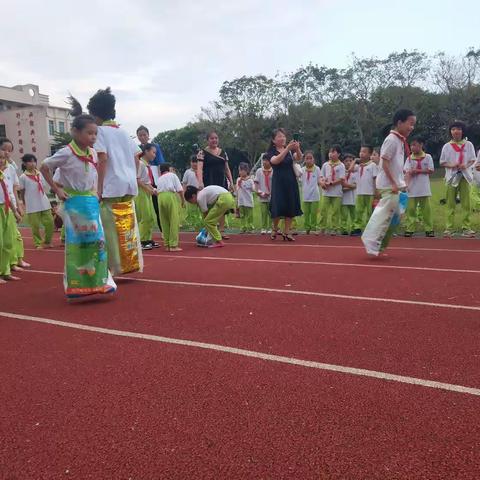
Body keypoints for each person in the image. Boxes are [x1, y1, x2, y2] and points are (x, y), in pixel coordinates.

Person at [40, 98, 116, 298]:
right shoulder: (66, 153)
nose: (93, 137)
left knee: (97, 242)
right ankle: (76, 284)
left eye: (95, 133)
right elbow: (44, 166)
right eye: (89, 133)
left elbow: (94, 173)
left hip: (90, 202)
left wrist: (97, 192)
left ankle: (101, 281)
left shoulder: (91, 152)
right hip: (74, 204)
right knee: (78, 244)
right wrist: (57, 191)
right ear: (75, 131)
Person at [87, 87, 143, 275]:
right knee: (127, 226)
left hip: (111, 186)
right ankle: (130, 262)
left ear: (95, 114)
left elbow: (102, 158)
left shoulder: (100, 132)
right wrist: (133, 175)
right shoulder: (123, 131)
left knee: (109, 229)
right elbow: (137, 156)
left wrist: (99, 188)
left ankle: (114, 267)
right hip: (128, 185)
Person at [362, 109, 416, 256]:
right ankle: (370, 241)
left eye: (413, 124)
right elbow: (384, 163)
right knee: (385, 215)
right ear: (399, 122)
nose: (412, 127)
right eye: (410, 124)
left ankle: (379, 246)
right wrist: (393, 183)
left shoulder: (400, 140)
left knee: (396, 216)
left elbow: (396, 164)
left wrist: (401, 181)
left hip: (396, 184)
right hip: (388, 185)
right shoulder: (391, 140)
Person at [439, 121, 476, 237]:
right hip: (452, 177)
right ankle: (449, 228)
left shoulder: (468, 144)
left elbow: (472, 159)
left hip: (465, 176)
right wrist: (452, 165)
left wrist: (466, 165)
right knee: (450, 203)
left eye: (459, 129)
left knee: (466, 204)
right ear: (450, 131)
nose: (456, 131)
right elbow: (442, 162)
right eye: (453, 129)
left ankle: (466, 228)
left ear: (462, 131)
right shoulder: (447, 146)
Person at [265, 129, 303, 241]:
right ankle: (275, 228)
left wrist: (297, 148)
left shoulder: (290, 151)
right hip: (278, 182)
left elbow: (299, 158)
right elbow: (275, 161)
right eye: (279, 136)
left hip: (290, 180)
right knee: (278, 205)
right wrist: (287, 149)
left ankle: (287, 231)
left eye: (283, 136)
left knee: (290, 205)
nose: (282, 138)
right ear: (273, 140)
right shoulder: (271, 152)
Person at [196, 131, 234, 239]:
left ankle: (221, 230)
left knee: (221, 206)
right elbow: (199, 168)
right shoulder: (202, 153)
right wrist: (200, 182)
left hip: (221, 181)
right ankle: (211, 230)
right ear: (208, 140)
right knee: (210, 206)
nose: (214, 140)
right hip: (208, 180)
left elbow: (227, 169)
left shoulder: (223, 152)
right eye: (212, 138)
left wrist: (231, 182)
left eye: (216, 138)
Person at [0, 138, 30, 270]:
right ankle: (9, 264)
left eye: (9, 150)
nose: (7, 153)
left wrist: (18, 205)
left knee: (12, 236)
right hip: (3, 204)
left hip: (9, 204)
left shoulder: (10, 168)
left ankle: (14, 261)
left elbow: (13, 188)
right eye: (4, 149)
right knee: (6, 237)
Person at [18, 154, 54, 248]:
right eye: (30, 161)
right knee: (35, 226)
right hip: (32, 204)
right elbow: (22, 191)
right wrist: (23, 202)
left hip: (44, 202)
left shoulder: (40, 173)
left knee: (50, 222)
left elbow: (45, 186)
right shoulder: (23, 177)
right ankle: (38, 243)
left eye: (34, 161)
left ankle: (47, 241)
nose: (32, 163)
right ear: (25, 164)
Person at [404, 137, 434, 237]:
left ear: (421, 145)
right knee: (411, 210)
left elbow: (430, 170)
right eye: (411, 145)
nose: (412, 147)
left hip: (424, 188)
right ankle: (410, 228)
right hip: (412, 188)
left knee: (426, 210)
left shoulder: (428, 157)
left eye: (415, 145)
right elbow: (406, 171)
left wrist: (418, 171)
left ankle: (429, 229)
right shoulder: (409, 159)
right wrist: (409, 174)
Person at [136, 126, 163, 236]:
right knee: (145, 212)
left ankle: (162, 230)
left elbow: (160, 162)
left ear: (148, 135)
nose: (142, 137)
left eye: (144, 134)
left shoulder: (155, 147)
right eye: (140, 135)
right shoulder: (136, 149)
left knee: (157, 206)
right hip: (143, 180)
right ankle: (143, 236)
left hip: (154, 177)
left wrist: (161, 178)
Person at [0, 150, 22, 283]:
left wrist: (15, 211)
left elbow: (8, 193)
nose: (1, 160)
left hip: (6, 207)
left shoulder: (5, 173)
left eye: (2, 158)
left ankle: (5, 271)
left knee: (8, 242)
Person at [156, 163, 185, 252]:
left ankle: (167, 244)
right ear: (169, 169)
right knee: (174, 220)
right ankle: (173, 245)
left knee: (164, 220)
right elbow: (180, 189)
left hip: (160, 197)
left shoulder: (159, 178)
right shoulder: (172, 175)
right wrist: (183, 201)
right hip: (169, 196)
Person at [351, 146, 378, 236]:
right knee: (358, 211)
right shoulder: (358, 166)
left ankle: (370, 228)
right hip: (359, 192)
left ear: (370, 154)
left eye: (364, 152)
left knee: (370, 211)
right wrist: (355, 160)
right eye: (360, 151)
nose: (361, 153)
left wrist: (376, 192)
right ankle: (357, 227)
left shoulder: (372, 165)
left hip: (369, 193)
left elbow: (375, 179)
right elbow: (350, 170)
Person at [135, 143, 158, 250]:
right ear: (146, 151)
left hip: (146, 192)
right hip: (141, 192)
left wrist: (153, 189)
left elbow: (146, 181)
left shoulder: (147, 165)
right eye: (153, 152)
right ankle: (142, 240)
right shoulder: (140, 163)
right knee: (145, 216)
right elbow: (138, 180)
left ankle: (148, 238)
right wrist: (149, 190)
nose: (154, 155)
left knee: (150, 217)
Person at [320, 146, 345, 235]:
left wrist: (331, 183)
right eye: (330, 152)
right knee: (323, 210)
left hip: (336, 192)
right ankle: (322, 228)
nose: (330, 154)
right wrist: (322, 183)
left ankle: (335, 228)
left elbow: (342, 179)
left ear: (338, 154)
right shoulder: (325, 165)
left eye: (333, 152)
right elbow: (321, 176)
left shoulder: (341, 165)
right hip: (326, 192)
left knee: (335, 211)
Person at [300, 150, 321, 235]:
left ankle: (313, 227)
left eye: (310, 158)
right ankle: (307, 228)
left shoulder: (317, 169)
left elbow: (320, 180)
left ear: (314, 159)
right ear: (304, 160)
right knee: (306, 213)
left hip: (315, 195)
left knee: (313, 213)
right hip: (305, 194)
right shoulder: (302, 170)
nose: (309, 160)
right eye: (307, 158)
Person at [254, 154, 273, 234]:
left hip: (271, 196)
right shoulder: (259, 171)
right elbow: (256, 182)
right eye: (263, 160)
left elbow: (276, 183)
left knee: (271, 213)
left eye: (267, 160)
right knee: (263, 212)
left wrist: (270, 193)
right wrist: (258, 192)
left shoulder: (274, 170)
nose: (265, 162)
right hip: (262, 196)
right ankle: (264, 227)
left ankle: (271, 227)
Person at [182, 155, 202, 229]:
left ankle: (200, 224)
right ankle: (192, 224)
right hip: (190, 194)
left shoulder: (201, 171)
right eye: (193, 162)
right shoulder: (188, 172)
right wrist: (184, 194)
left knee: (201, 209)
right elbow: (184, 183)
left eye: (196, 162)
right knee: (191, 211)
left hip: (200, 193)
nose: (194, 164)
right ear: (190, 163)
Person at [236, 162, 255, 233]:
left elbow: (253, 189)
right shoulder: (238, 179)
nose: (240, 172)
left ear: (246, 171)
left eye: (241, 170)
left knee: (249, 215)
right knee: (242, 215)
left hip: (248, 200)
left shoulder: (250, 180)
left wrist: (251, 184)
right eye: (239, 170)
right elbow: (237, 189)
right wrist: (236, 201)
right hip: (241, 201)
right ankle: (243, 227)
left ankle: (250, 227)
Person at [341, 155, 358, 235]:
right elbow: (341, 185)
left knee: (353, 215)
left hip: (353, 197)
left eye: (351, 161)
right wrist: (349, 187)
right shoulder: (341, 173)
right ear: (343, 162)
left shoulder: (355, 173)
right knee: (343, 215)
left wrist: (345, 187)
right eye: (346, 161)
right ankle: (343, 229)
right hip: (343, 198)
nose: (348, 163)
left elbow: (355, 185)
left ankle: (354, 228)